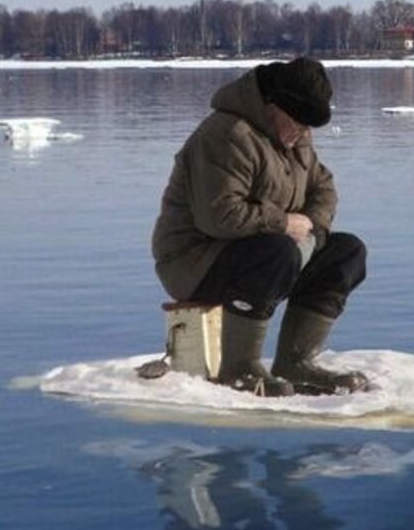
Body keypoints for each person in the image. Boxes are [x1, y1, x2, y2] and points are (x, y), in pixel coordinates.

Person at [152, 57, 369, 397]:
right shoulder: (227, 136)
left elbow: (323, 187)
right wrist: (283, 223)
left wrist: (311, 224)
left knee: (347, 252)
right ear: (272, 106)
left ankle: (295, 363)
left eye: (307, 126)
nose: (300, 133)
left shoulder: (296, 138)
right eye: (296, 122)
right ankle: (238, 368)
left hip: (262, 252)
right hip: (194, 263)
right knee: (276, 251)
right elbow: (219, 216)